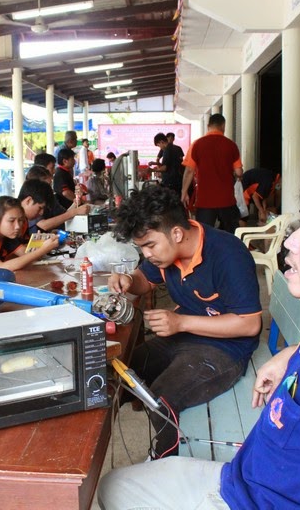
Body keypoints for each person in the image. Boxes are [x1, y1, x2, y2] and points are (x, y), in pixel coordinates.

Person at [98, 169, 300, 510]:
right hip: (243, 479)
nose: (289, 242)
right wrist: (295, 352)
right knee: (113, 485)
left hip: (255, 501)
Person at [106, 185, 263, 459]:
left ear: (177, 233)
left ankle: (165, 462)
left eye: (149, 245)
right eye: (141, 247)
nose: (147, 254)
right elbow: (144, 279)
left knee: (163, 398)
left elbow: (249, 324)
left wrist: (180, 323)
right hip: (182, 337)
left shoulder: (228, 255)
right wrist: (129, 280)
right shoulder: (165, 252)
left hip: (226, 349)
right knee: (118, 372)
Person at [181, 113, 243, 233]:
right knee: (231, 234)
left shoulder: (197, 144)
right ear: (223, 126)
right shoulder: (231, 145)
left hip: (205, 201)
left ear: (208, 126)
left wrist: (184, 192)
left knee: (204, 234)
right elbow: (239, 172)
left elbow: (189, 171)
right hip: (227, 200)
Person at [26, 165, 90, 233]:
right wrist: (75, 212)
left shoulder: (50, 197)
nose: (50, 188)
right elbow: (44, 225)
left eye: (50, 185)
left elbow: (64, 215)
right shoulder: (32, 200)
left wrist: (76, 201)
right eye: (47, 185)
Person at [151, 133, 184, 197]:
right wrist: (156, 164)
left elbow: (164, 168)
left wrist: (152, 170)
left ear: (161, 142)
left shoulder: (167, 150)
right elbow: (170, 164)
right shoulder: (174, 148)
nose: (160, 147)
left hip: (170, 181)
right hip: (177, 180)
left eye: (159, 145)